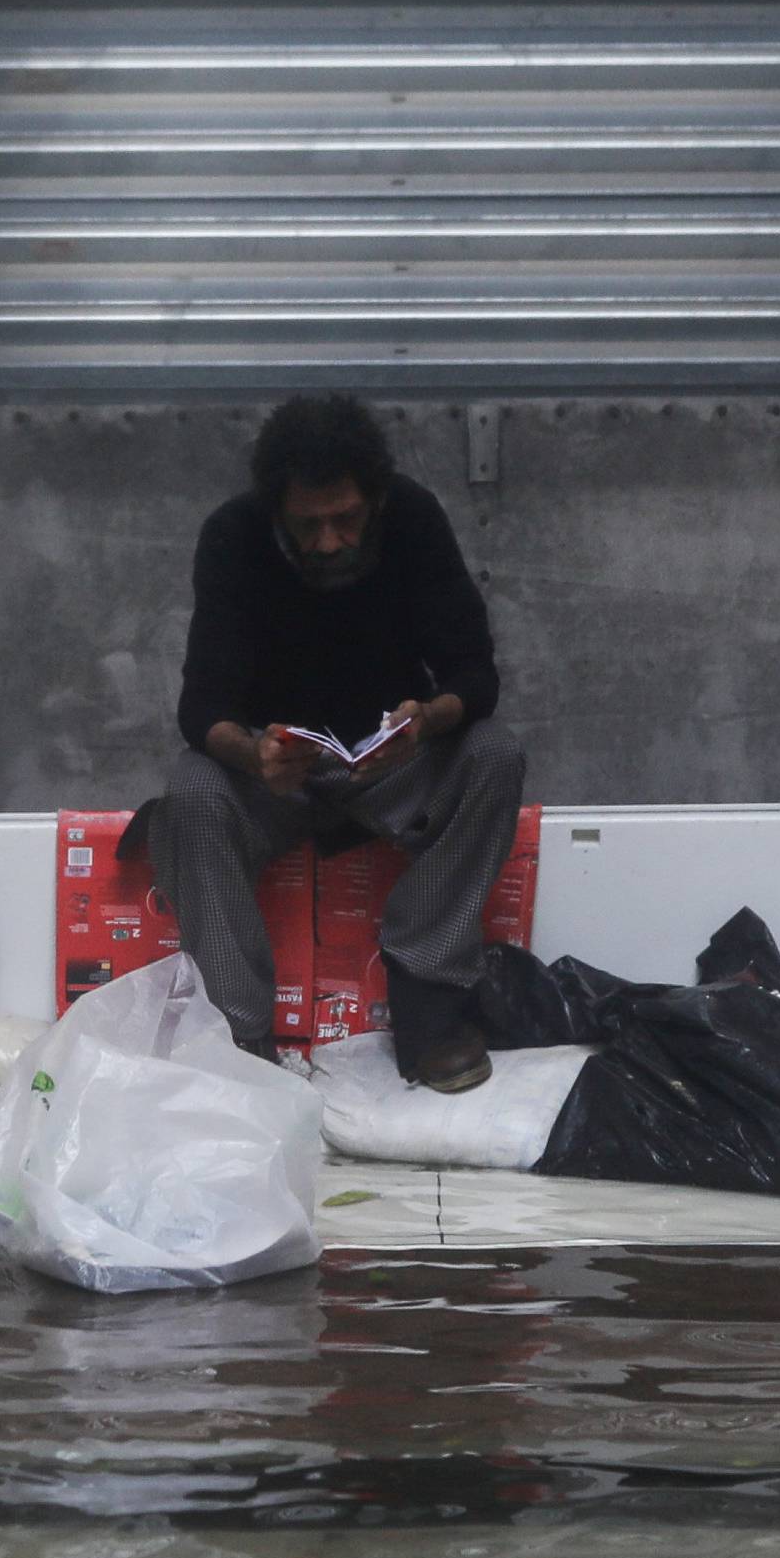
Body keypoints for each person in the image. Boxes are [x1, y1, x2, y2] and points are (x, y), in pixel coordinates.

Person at [147, 394, 524, 1092]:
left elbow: (475, 675)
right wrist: (254, 755)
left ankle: (431, 1011)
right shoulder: (233, 536)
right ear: (277, 512)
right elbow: (201, 707)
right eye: (307, 525)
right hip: (279, 777)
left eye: (346, 520)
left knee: (493, 752)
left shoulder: (412, 518)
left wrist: (425, 722)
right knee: (193, 788)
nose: (328, 542)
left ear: (375, 502)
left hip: (394, 767)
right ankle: (238, 1037)